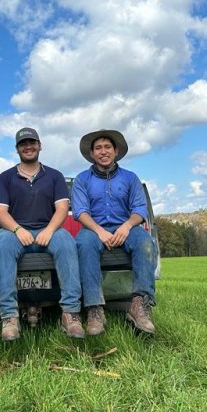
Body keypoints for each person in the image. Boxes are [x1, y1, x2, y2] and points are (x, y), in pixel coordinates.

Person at [0, 127, 84, 341]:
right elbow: (0, 211)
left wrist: (50, 230)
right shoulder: (5, 178)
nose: (28, 147)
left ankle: (71, 313)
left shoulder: (54, 176)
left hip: (48, 229)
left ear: (40, 145)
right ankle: (9, 317)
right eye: (23, 144)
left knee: (67, 243)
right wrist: (17, 229)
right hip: (14, 231)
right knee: (2, 245)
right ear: (17, 149)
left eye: (32, 142)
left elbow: (62, 208)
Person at [71, 129, 157, 336]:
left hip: (125, 226)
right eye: (98, 148)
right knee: (84, 243)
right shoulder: (82, 180)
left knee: (145, 242)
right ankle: (94, 309)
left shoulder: (130, 178)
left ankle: (139, 305)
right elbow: (80, 212)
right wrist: (100, 231)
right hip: (93, 228)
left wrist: (126, 226)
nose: (103, 151)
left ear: (116, 151)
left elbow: (139, 210)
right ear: (91, 154)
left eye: (107, 147)